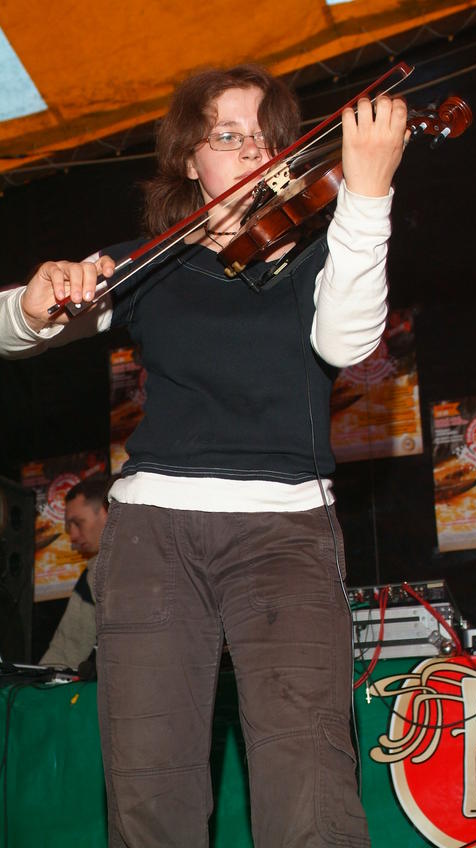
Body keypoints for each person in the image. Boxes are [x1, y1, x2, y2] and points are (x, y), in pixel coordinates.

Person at [0, 64, 408, 847]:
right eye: (227, 135)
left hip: (286, 535)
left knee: (309, 783)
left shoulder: (327, 249)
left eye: (264, 136)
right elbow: (16, 333)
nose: (251, 149)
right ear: (190, 159)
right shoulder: (150, 261)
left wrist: (367, 196)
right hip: (155, 535)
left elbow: (347, 342)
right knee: (148, 784)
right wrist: (31, 304)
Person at [41, 478, 109, 670]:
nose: (72, 536)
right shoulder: (93, 575)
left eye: (78, 523)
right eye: (68, 527)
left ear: (106, 512)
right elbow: (65, 651)